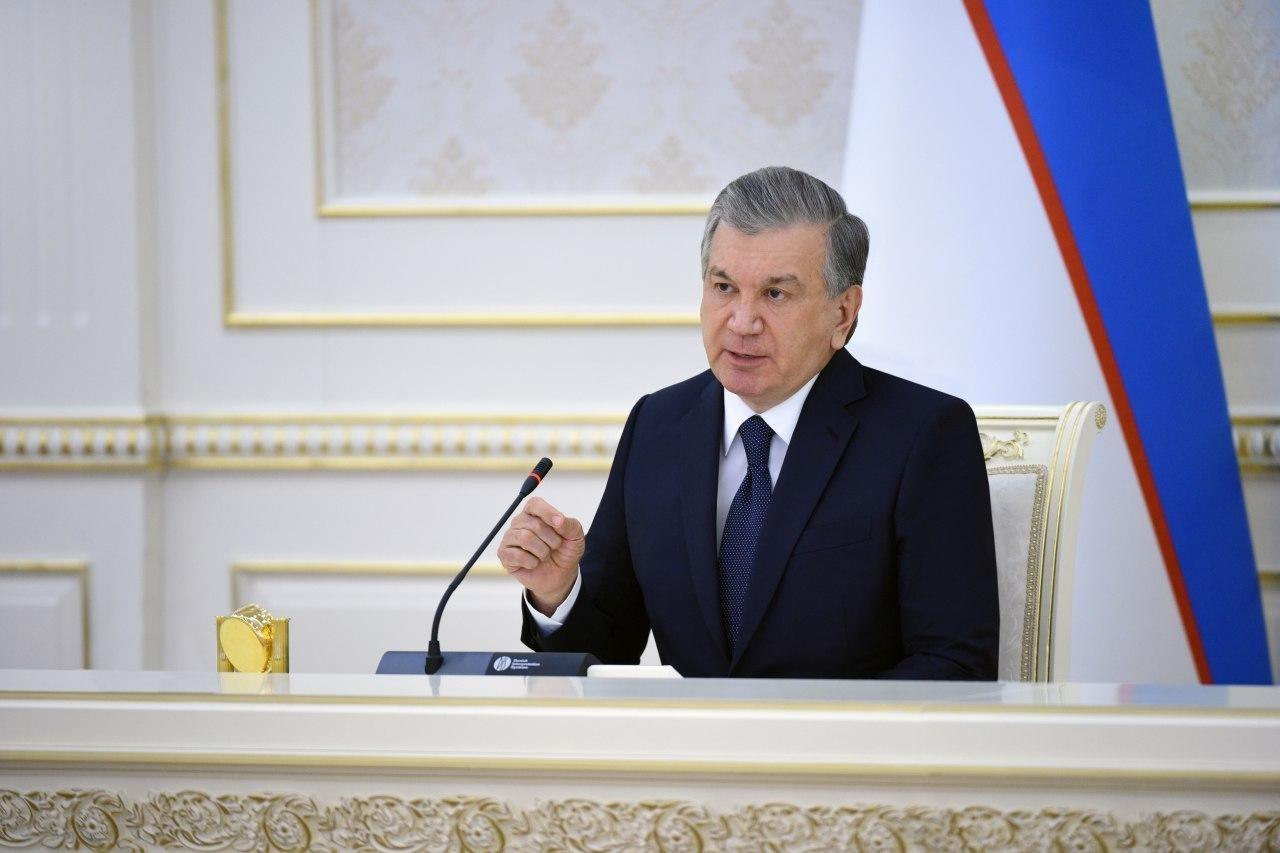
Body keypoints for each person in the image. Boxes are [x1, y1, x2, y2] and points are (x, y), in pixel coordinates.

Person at [499, 166, 998, 679]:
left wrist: (806, 728)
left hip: (842, 734)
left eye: (775, 294)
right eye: (724, 287)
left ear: (843, 313)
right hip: (689, 734)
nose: (742, 322)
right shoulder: (658, 425)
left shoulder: (923, 434)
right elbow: (609, 650)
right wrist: (558, 594)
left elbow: (955, 664)